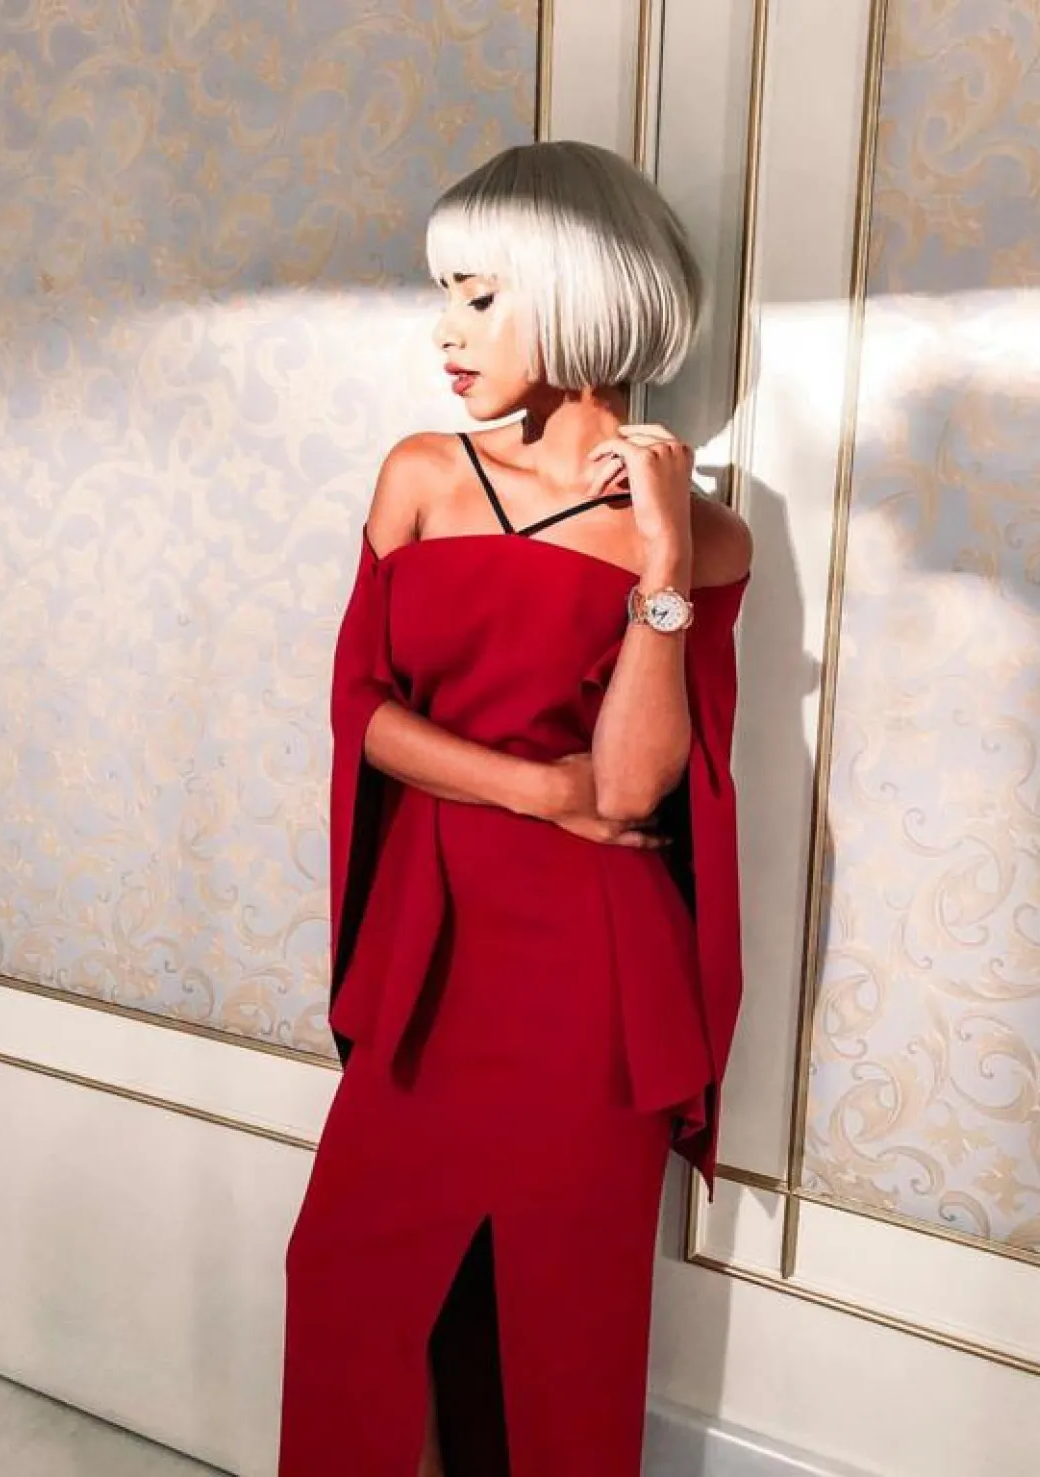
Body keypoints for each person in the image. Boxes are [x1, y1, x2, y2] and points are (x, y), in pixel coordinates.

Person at [278, 139, 752, 1477]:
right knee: (348, 1281)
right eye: (445, 294)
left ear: (585, 296)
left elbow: (636, 787)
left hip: (591, 978)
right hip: (431, 945)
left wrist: (663, 560)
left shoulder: (705, 537)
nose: (446, 331)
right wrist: (542, 789)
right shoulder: (424, 474)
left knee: (561, 1321)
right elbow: (363, 714)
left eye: (480, 297)